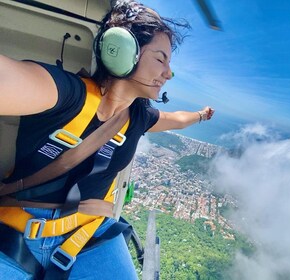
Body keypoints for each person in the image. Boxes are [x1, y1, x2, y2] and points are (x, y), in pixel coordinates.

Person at [0, 0, 214, 279]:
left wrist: (200, 115)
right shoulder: (67, 94)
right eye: (160, 59)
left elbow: (177, 119)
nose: (168, 73)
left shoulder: (138, 117)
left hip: (90, 233)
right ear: (123, 51)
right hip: (15, 229)